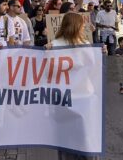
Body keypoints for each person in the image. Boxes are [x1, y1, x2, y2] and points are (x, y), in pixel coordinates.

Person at [46, 13, 105, 160]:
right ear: (75, 26)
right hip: (68, 100)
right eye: (82, 24)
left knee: (74, 141)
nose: (84, 27)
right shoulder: (54, 46)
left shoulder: (83, 45)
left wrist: (101, 54)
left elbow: (95, 69)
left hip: (79, 99)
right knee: (80, 141)